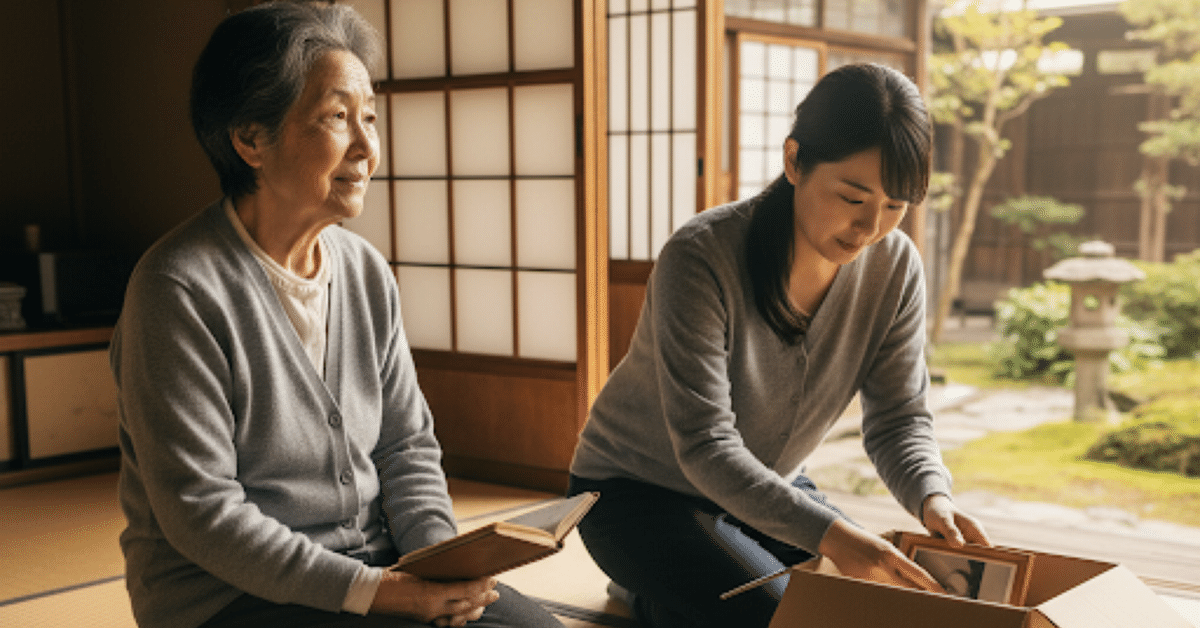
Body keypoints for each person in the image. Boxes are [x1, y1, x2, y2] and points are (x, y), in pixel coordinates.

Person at [110, 3, 564, 628]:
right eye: (336, 117)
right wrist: (386, 593)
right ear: (251, 139)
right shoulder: (178, 290)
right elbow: (204, 513)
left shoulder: (364, 271)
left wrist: (442, 567)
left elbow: (405, 447)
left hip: (378, 569)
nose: (367, 147)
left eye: (369, 118)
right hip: (228, 598)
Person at [567, 63, 991, 628]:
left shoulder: (896, 268)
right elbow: (706, 445)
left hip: (765, 493)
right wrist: (834, 536)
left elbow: (898, 419)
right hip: (636, 496)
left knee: (869, 605)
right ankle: (649, 590)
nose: (870, 228)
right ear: (794, 161)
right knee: (787, 618)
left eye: (895, 206)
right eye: (853, 197)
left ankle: (675, 595)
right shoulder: (701, 255)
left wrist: (933, 498)